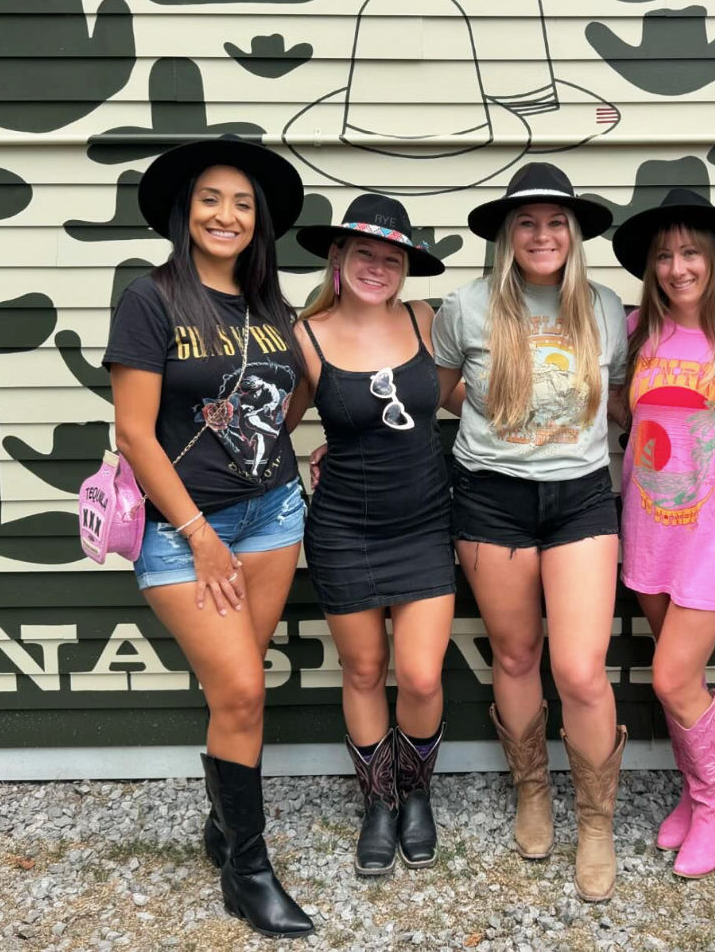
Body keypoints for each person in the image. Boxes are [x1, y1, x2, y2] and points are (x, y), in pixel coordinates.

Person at [103, 136, 313, 939]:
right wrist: (197, 533)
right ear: (184, 212)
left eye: (242, 204)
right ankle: (248, 872)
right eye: (211, 199)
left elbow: (283, 399)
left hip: (274, 515)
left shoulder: (270, 306)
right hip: (185, 531)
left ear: (259, 222)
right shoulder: (150, 299)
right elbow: (133, 432)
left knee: (237, 690)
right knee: (242, 691)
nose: (227, 215)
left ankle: (223, 829)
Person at [433, 161, 628, 903]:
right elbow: (440, 393)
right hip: (490, 499)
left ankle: (597, 822)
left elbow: (619, 401)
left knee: (579, 670)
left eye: (555, 223)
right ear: (507, 235)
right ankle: (533, 791)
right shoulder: (466, 306)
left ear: (572, 233)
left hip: (581, 498)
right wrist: (502, 421)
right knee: (515, 655)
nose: (542, 235)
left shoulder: (604, 307)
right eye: (526, 223)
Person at [610, 187, 715, 879]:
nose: (676, 268)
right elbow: (620, 416)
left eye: (689, 253)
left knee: (672, 674)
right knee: (683, 678)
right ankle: (691, 791)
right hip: (650, 525)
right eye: (662, 255)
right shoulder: (633, 331)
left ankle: (712, 807)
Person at [294, 194, 455, 878]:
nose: (377, 268)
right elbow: (272, 426)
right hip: (344, 529)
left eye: (392, 258)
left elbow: (458, 398)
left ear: (405, 269)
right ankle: (378, 803)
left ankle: (416, 794)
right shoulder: (305, 336)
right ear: (338, 257)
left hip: (424, 522)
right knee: (362, 670)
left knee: (419, 674)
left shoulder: (426, 319)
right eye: (365, 253)